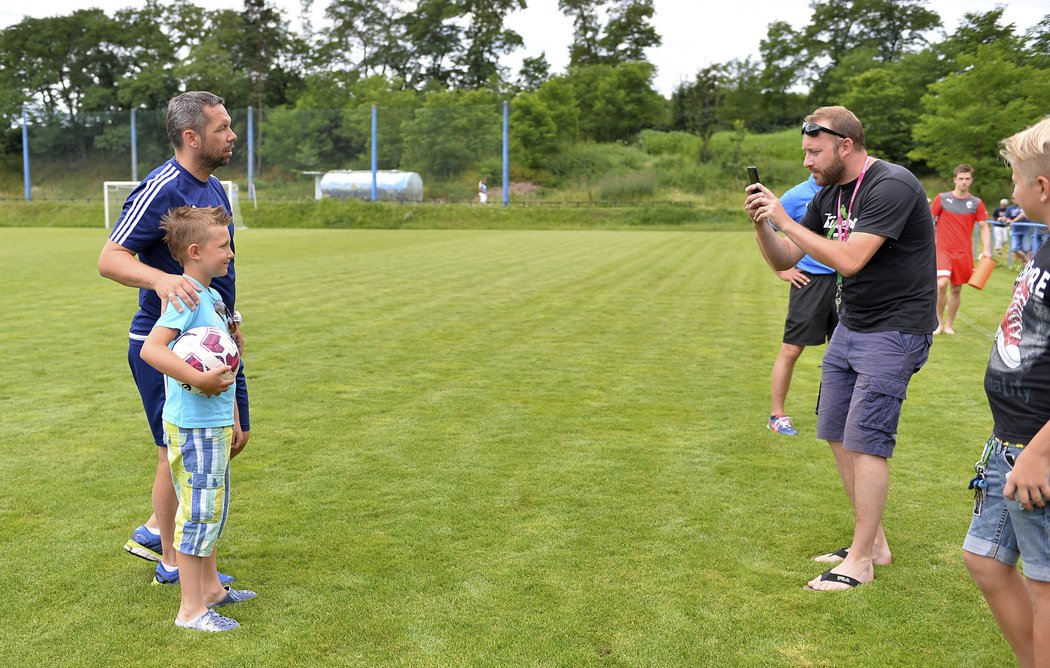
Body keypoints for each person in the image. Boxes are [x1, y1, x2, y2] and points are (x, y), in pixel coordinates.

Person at [746, 106, 936, 591]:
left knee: (867, 438)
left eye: (814, 151)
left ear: (845, 145)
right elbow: (786, 258)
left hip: (895, 330)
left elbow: (850, 260)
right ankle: (873, 544)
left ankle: (861, 563)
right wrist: (763, 225)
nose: (807, 161)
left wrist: (786, 219)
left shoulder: (890, 185)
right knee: (835, 430)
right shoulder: (830, 194)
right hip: (852, 326)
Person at [98, 91, 249, 586]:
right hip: (166, 342)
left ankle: (155, 531)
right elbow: (111, 258)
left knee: (211, 445)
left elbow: (220, 268)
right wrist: (161, 281)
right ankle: (169, 557)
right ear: (192, 136)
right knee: (174, 450)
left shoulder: (216, 187)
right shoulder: (162, 186)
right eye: (222, 128)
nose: (232, 136)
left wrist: (232, 317)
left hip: (212, 334)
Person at [140, 206, 256, 631]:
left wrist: (237, 420)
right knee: (198, 513)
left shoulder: (211, 296)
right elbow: (152, 350)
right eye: (224, 245)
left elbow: (227, 358)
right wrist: (198, 381)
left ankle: (211, 590)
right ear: (195, 251)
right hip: (193, 423)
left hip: (214, 422)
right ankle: (191, 610)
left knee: (212, 508)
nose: (230, 253)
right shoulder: (184, 298)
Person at [963, 117, 1050, 667]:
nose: (1012, 191)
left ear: (1043, 186)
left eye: (1017, 179)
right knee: (987, 562)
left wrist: (1040, 453)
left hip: (1038, 454)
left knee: (1045, 588)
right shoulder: (1043, 245)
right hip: (1011, 444)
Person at [766, 175, 837, 437]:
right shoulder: (796, 196)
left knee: (846, 353)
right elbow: (765, 231)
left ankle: (839, 414)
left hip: (848, 282)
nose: (812, 161)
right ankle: (777, 415)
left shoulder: (850, 192)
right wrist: (781, 270)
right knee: (792, 349)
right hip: (810, 283)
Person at [930, 164, 990, 335]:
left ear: (971, 180)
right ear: (954, 180)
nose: (964, 182)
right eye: (961, 178)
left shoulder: (976, 203)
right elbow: (927, 220)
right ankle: (938, 322)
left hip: (964, 252)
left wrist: (986, 249)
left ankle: (949, 324)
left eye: (967, 179)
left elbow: (984, 226)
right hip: (943, 250)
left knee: (956, 288)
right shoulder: (942, 198)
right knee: (941, 284)